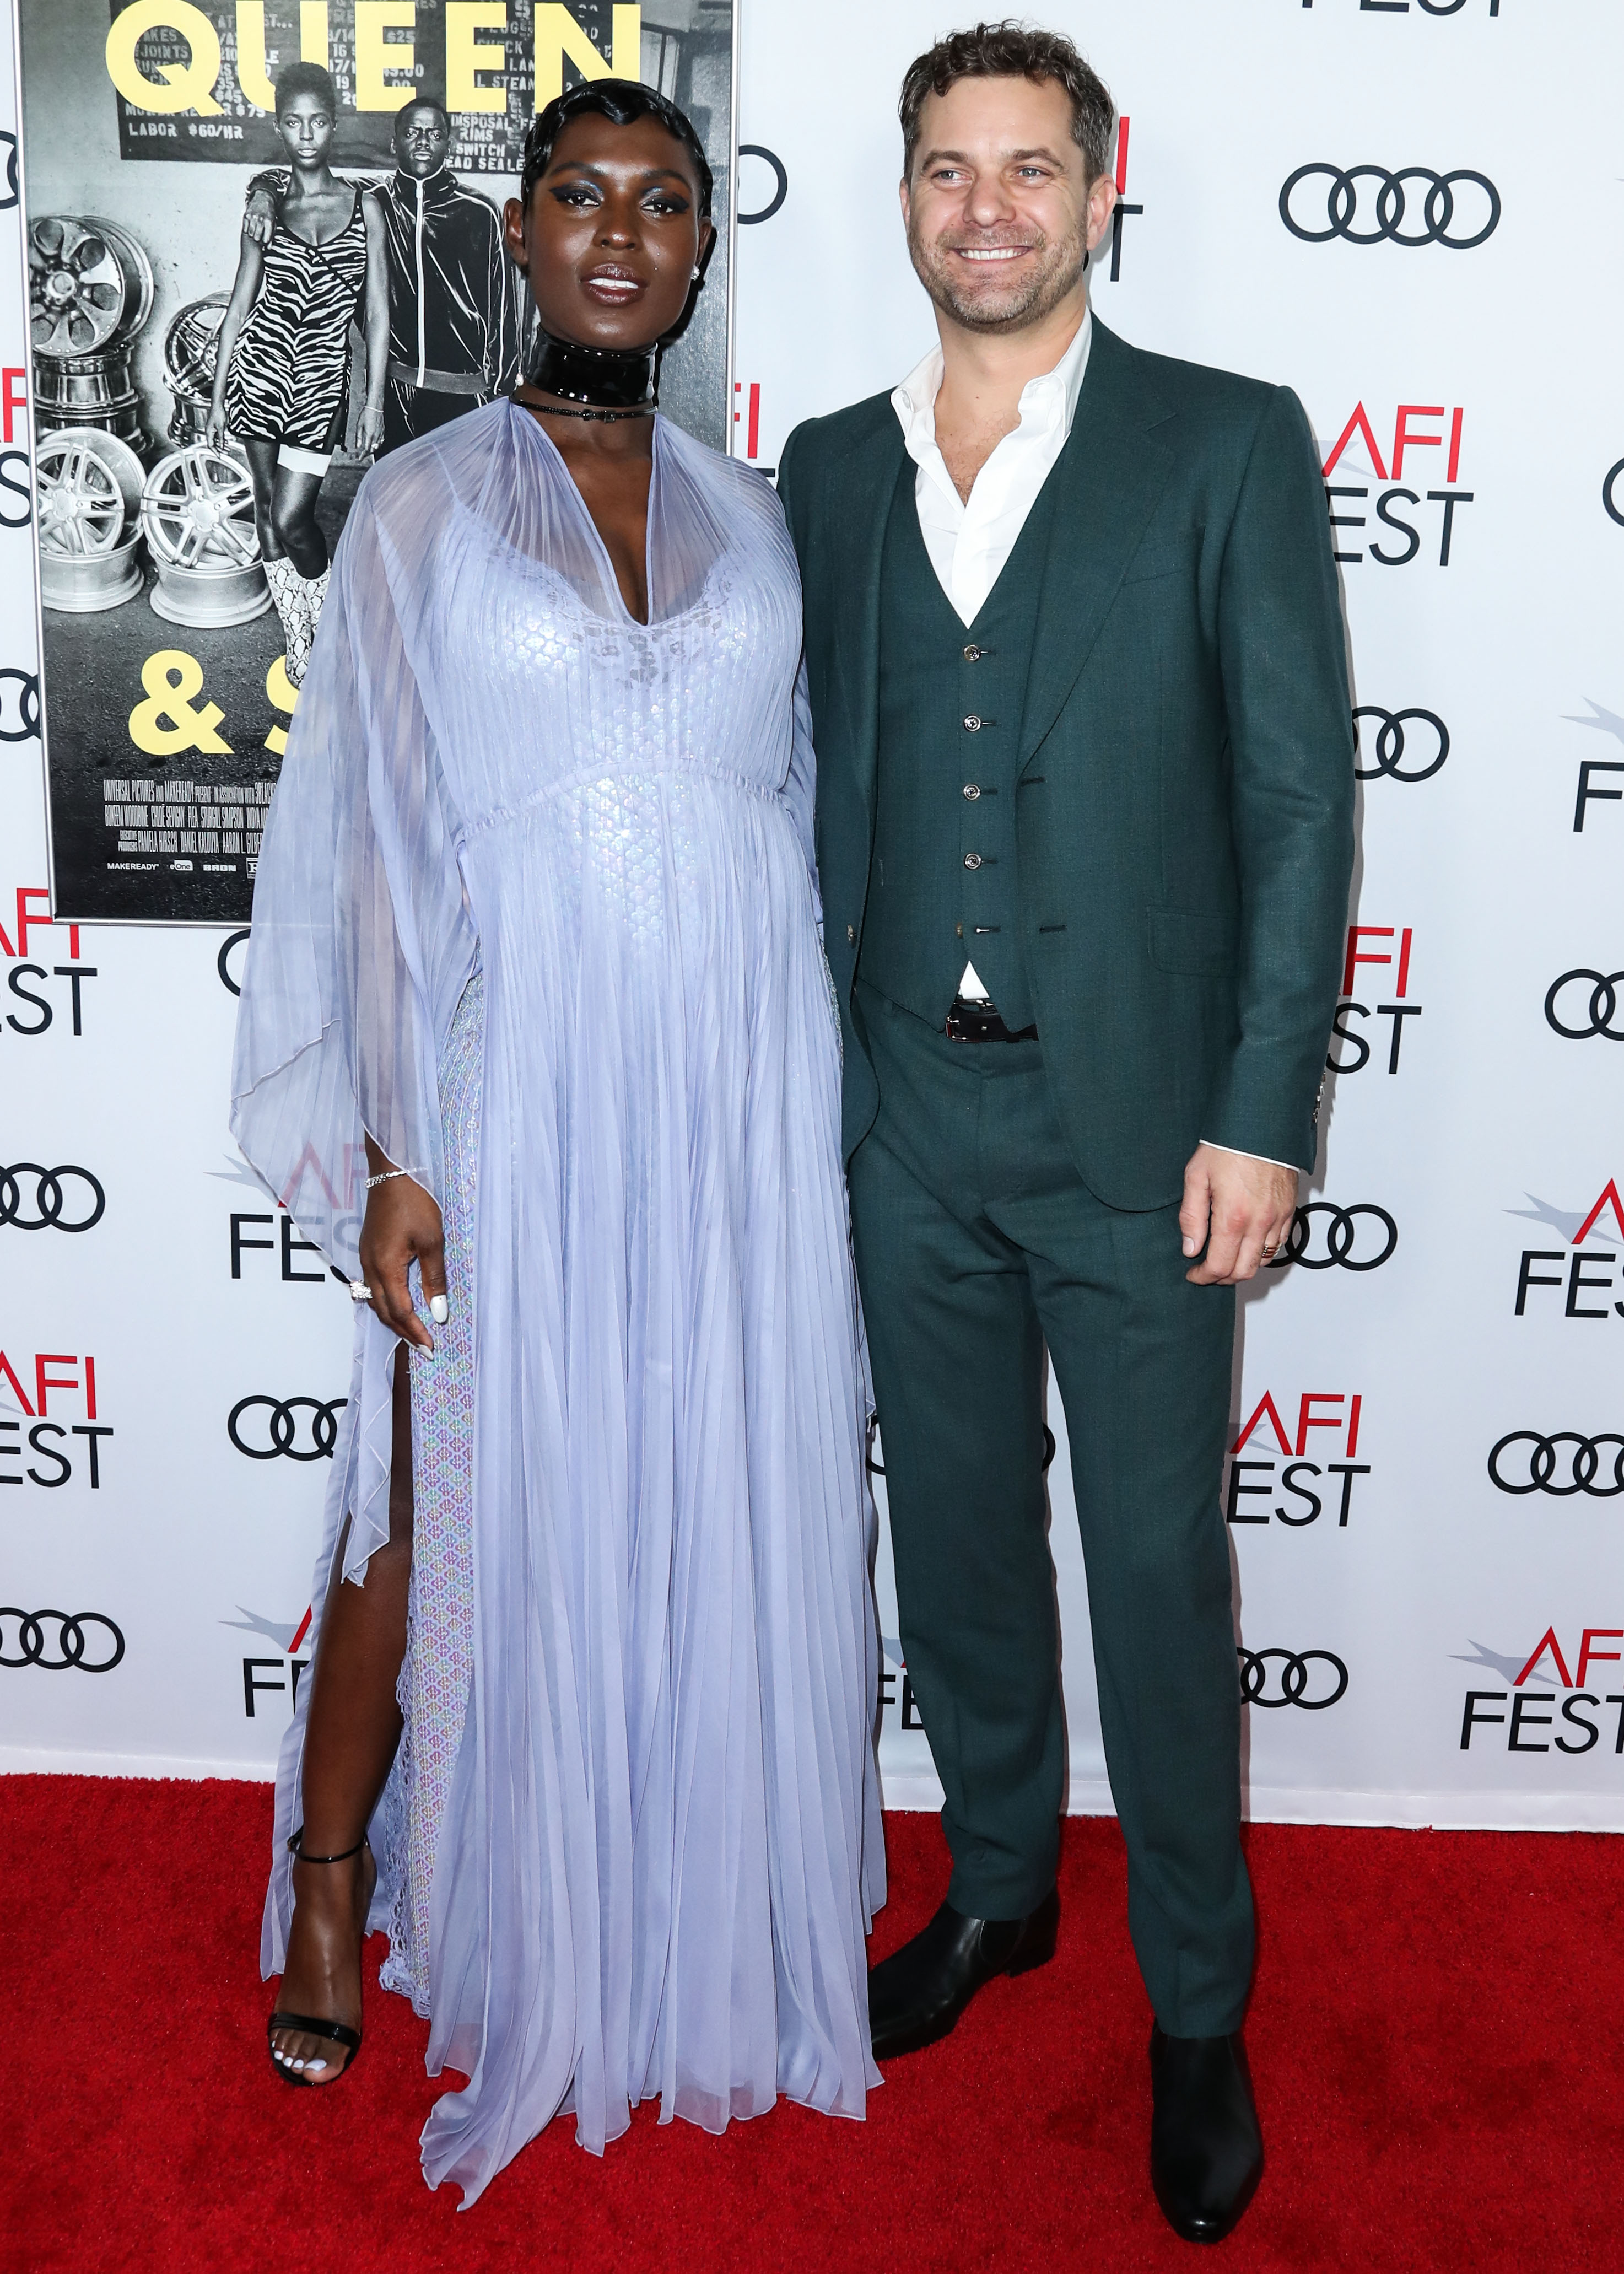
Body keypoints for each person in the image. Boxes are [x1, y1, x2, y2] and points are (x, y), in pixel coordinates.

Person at [230, 77, 881, 2207]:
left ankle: (667, 1888)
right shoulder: (417, 505)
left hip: (727, 1089)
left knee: (700, 1475)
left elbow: (787, 810)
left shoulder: (758, 512)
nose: (620, 233)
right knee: (437, 1492)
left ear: (703, 252)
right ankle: (330, 1871)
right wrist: (403, 1144)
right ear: (515, 235)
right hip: (514, 1082)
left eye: (662, 203)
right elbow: (380, 854)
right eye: (581, 198)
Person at [775, 21, 1354, 2248]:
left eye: (1030, 166)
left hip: (1139, 1135)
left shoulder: (1222, 444)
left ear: (1103, 187)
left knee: (1153, 1573)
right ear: (904, 194)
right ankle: (996, 1886)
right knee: (954, 1546)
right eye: (948, 168)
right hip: (898, 1111)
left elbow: (1299, 798)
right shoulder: (825, 469)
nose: (986, 206)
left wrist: (1255, 1108)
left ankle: (1192, 2004)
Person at [207, 62, 389, 683]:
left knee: (292, 519)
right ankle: (300, 643)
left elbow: (378, 312)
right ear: (279, 127)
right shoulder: (267, 207)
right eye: (293, 121)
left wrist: (372, 404)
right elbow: (239, 303)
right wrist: (214, 395)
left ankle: (330, 621)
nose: (306, 133)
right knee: (264, 509)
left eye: (317, 121)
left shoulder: (366, 204)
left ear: (333, 125)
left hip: (317, 388)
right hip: (257, 375)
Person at [242, 96, 522, 457]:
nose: (423, 141)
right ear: (395, 143)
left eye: (434, 134)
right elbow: (305, 177)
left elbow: (502, 308)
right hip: (395, 392)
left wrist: (501, 394)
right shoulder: (371, 200)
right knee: (395, 499)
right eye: (412, 132)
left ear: (447, 145)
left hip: (463, 394)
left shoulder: (480, 212)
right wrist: (263, 192)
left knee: (459, 502)